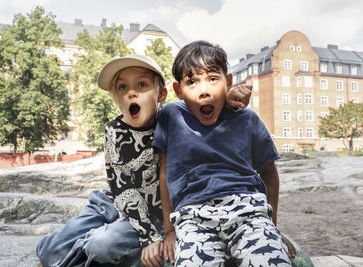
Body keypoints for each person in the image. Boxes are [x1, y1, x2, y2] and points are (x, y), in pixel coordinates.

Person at [36, 54, 252, 267]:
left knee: (101, 244)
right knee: (48, 252)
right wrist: (148, 238)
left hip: (156, 214)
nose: (131, 93)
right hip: (112, 202)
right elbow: (121, 188)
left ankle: (90, 247)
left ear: (162, 94)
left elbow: (203, 105)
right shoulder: (113, 131)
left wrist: (228, 99)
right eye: (123, 88)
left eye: (141, 85)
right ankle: (84, 243)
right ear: (115, 97)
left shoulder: (173, 118)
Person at [152, 41, 292, 266]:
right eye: (192, 82)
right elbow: (164, 174)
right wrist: (169, 231)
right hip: (193, 217)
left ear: (228, 82)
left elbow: (269, 174)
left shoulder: (248, 119)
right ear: (178, 90)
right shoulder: (171, 116)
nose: (204, 90)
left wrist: (271, 226)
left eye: (213, 79)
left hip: (249, 211)